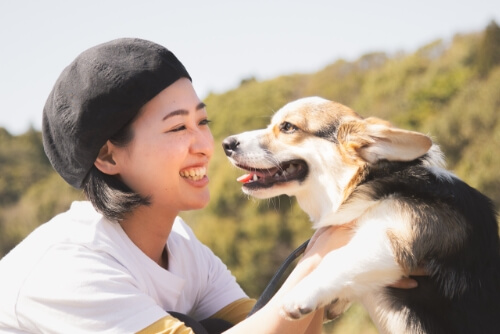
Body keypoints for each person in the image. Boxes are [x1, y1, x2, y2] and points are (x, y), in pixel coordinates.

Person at [0, 38, 419, 334]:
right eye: (178, 127)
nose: (203, 144)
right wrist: (321, 255)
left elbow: (272, 323)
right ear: (109, 156)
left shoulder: (180, 246)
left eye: (202, 122)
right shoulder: (68, 266)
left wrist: (340, 268)